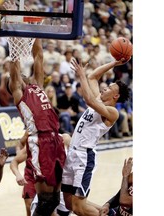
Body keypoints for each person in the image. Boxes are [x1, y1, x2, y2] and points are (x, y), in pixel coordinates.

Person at [61, 58, 130, 216]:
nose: (104, 88)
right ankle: (112, 214)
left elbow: (88, 99)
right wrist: (114, 63)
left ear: (116, 96)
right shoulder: (100, 100)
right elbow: (92, 77)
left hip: (84, 157)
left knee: (79, 207)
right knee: (69, 203)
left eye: (109, 88)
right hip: (73, 153)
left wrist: (80, 76)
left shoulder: (112, 112)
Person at [6, 36, 66, 216]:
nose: (24, 75)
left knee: (56, 198)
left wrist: (36, 30)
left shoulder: (38, 85)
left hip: (55, 137)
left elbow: (38, 56)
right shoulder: (18, 91)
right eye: (21, 76)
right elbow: (14, 67)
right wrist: (14, 37)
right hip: (39, 140)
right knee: (46, 199)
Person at [10, 133, 71, 216]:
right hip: (32, 177)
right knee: (34, 209)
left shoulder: (65, 138)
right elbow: (15, 158)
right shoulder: (32, 137)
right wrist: (18, 174)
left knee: (58, 208)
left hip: (56, 180)